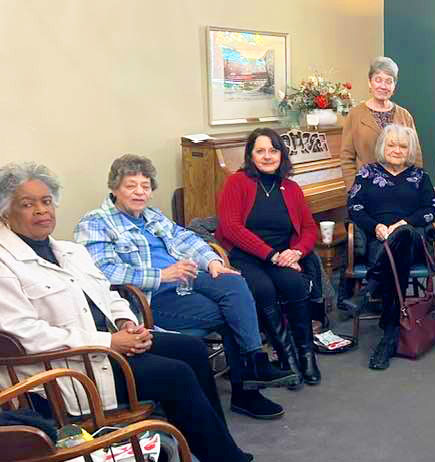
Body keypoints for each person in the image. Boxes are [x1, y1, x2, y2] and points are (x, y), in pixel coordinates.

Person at [0, 163, 253, 462]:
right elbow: (25, 335)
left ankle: (215, 447)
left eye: (46, 201)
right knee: (176, 375)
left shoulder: (69, 251)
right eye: (27, 204)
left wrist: (126, 322)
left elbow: (107, 293)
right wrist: (110, 342)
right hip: (68, 370)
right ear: (5, 212)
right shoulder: (6, 264)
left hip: (109, 346)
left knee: (192, 349)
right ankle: (223, 457)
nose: (41, 211)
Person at [75, 155, 295, 420]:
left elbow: (186, 238)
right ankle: (246, 389)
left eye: (145, 186)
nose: (139, 192)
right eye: (131, 186)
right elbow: (104, 273)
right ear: (114, 188)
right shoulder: (95, 222)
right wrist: (162, 275)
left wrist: (212, 260)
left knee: (234, 281)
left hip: (185, 280)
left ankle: (254, 364)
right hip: (149, 297)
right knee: (231, 313)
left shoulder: (152, 215)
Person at [215, 127, 324, 389]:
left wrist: (297, 251)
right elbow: (230, 227)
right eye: (260, 151)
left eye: (273, 150)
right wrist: (272, 255)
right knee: (263, 289)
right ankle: (288, 359)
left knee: (296, 284)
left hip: (283, 256)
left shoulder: (291, 187)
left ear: (281, 154)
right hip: (247, 256)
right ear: (250, 155)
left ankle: (306, 354)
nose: (267, 156)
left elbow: (309, 228)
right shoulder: (237, 182)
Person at [342, 124, 435, 370]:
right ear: (383, 146)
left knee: (403, 236)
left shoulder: (420, 177)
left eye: (403, 145)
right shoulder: (366, 173)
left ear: (411, 150)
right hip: (379, 241)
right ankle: (391, 333)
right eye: (392, 144)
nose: (397, 149)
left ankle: (368, 289)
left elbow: (432, 209)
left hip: (414, 239)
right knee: (394, 254)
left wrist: (404, 223)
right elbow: (354, 207)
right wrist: (375, 227)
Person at [341, 56, 422, 192]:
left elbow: (416, 154)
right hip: (366, 188)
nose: (383, 86)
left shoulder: (404, 115)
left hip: (400, 187)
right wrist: (353, 189)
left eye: (388, 81)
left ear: (394, 86)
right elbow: (346, 156)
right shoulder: (355, 114)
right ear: (369, 82)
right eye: (378, 80)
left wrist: (415, 185)